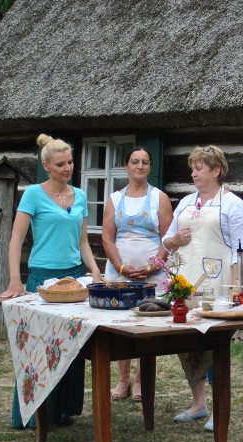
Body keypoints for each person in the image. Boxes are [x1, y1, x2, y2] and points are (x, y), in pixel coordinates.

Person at [0, 133, 102, 428]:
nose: (67, 168)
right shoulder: (33, 194)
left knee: (70, 347)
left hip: (72, 280)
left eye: (70, 162)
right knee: (38, 348)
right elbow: (16, 238)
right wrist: (15, 281)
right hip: (43, 278)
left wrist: (94, 271)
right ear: (47, 166)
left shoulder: (80, 195)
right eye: (60, 164)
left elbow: (83, 241)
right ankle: (33, 416)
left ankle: (62, 411)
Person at [161, 145, 243, 432]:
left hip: (216, 284)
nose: (193, 173)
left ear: (216, 170)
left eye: (199, 168)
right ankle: (198, 404)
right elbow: (166, 240)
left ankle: (218, 408)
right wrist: (175, 240)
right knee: (187, 345)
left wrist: (236, 288)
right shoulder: (186, 202)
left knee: (213, 344)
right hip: (185, 283)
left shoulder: (234, 204)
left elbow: (240, 251)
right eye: (193, 167)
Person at [101, 146, 173, 402]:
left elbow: (168, 238)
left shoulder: (159, 198)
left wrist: (154, 266)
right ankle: (123, 379)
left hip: (152, 276)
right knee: (121, 327)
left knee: (146, 326)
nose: (140, 166)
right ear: (127, 166)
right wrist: (121, 267)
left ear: (150, 167)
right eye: (135, 161)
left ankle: (141, 381)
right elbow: (108, 237)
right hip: (120, 274)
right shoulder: (114, 198)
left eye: (145, 162)